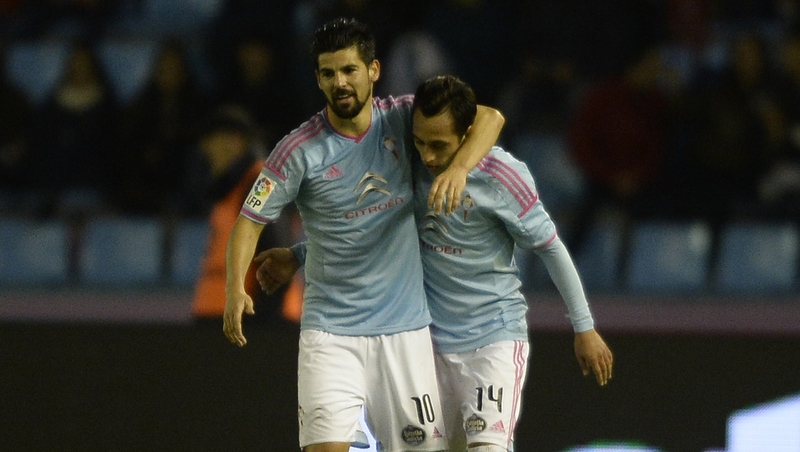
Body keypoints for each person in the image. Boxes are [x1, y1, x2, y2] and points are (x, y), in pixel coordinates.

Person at [255, 76, 613, 452]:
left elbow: (551, 248)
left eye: (438, 145)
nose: (427, 155)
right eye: (420, 142)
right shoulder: (410, 169)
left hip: (491, 339)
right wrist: (299, 255)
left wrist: (584, 327)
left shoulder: (501, 177)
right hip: (427, 346)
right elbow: (372, 236)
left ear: (466, 135)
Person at [222, 18, 504, 452]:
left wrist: (460, 167)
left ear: (373, 70)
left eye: (349, 70)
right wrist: (235, 289)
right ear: (318, 78)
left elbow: (489, 116)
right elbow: (248, 222)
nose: (341, 82)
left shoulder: (405, 118)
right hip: (330, 335)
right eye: (330, 73)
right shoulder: (299, 150)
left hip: (404, 333)